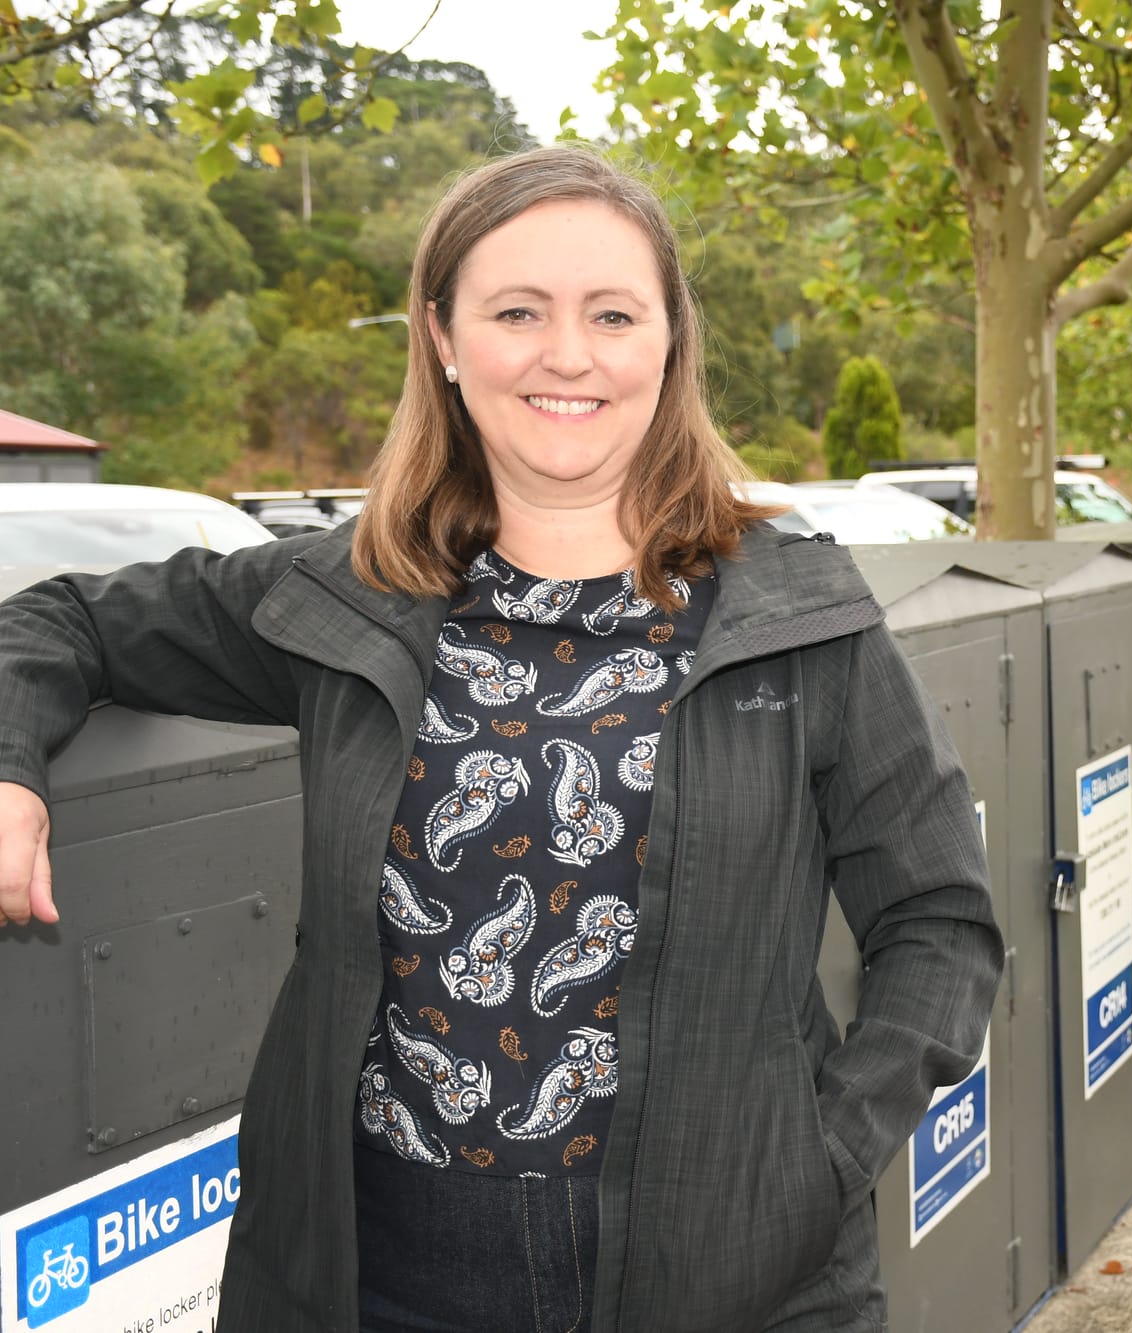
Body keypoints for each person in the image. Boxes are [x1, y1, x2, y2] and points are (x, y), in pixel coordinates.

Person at [0, 145, 1002, 1332]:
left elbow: (939, 920)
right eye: (516, 310)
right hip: (380, 1278)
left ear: (669, 340)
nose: (565, 354)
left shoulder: (795, 614)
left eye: (612, 313)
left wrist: (817, 1162)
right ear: (442, 337)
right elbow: (55, 620)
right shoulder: (343, 596)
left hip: (736, 1281)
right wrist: (10, 765)